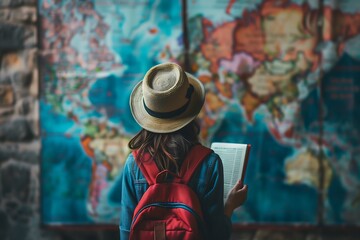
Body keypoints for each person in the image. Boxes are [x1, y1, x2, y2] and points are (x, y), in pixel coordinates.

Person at [119, 62, 248, 239]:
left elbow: (127, 231)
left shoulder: (134, 164)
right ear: (191, 113)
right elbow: (217, 235)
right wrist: (230, 206)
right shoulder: (209, 163)